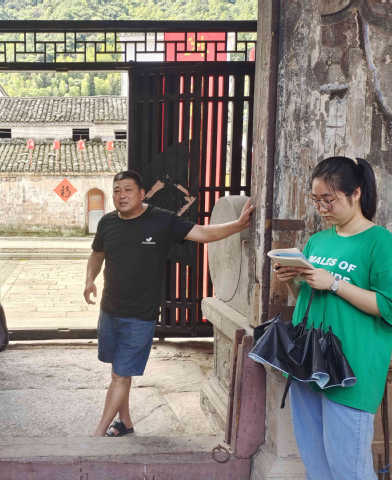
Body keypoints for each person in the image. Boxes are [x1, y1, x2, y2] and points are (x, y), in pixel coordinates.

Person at [83, 170, 254, 437]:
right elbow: (97, 254)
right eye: (116, 190)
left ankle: (97, 434)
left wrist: (238, 225)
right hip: (109, 311)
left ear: (142, 194)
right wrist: (89, 280)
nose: (121, 195)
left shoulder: (161, 220)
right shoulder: (107, 223)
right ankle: (125, 423)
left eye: (128, 190)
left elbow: (202, 233)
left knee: (120, 375)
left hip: (140, 315)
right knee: (119, 371)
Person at [273, 156, 392, 480]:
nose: (322, 208)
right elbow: (309, 298)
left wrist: (335, 283)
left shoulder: (380, 242)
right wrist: (294, 281)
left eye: (329, 199)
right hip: (309, 363)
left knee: (349, 470)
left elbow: (388, 306)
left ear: (356, 193)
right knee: (316, 464)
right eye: (316, 200)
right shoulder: (318, 241)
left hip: (351, 367)